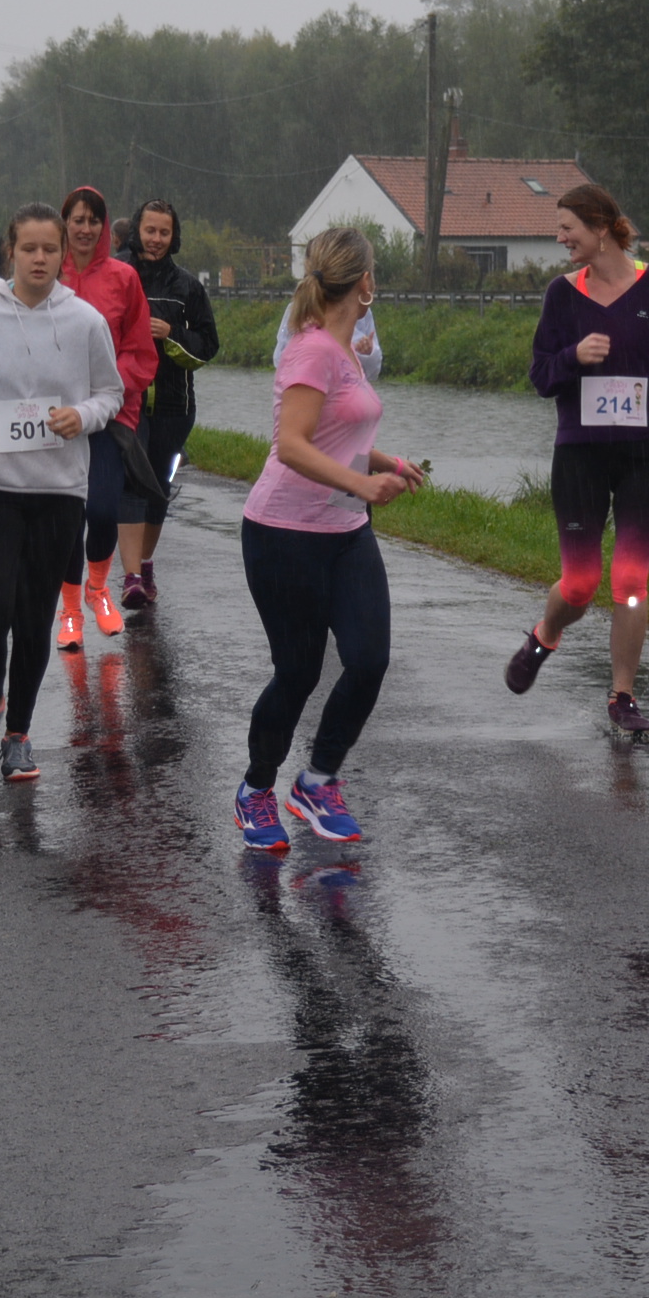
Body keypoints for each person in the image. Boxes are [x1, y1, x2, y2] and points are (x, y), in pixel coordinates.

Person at [231, 226, 424, 852]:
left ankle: (317, 781)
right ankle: (256, 790)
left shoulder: (346, 350)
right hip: (283, 533)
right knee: (298, 673)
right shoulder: (312, 350)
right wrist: (363, 484)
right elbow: (291, 445)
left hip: (345, 531)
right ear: (366, 281)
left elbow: (338, 434)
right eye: (375, 273)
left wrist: (385, 462)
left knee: (369, 660)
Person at [0, 202, 122, 782]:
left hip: (58, 490)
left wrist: (82, 416)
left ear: (65, 254)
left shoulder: (86, 321)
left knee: (35, 619)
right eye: (29, 248)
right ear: (10, 251)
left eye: (50, 249)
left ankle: (19, 736)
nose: (40, 259)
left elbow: (110, 393)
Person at [506, 185, 649, 735]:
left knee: (632, 578)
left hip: (646, 453)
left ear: (600, 228)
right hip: (581, 455)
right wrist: (573, 356)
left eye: (567, 227)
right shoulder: (562, 294)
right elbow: (541, 375)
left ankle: (623, 697)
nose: (560, 238)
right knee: (579, 585)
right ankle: (544, 636)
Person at [53, 186, 159, 648]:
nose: (85, 229)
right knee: (64, 518)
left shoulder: (124, 278)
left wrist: (109, 391)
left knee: (101, 509)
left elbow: (141, 351)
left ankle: (97, 587)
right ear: (64, 223)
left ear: (104, 226)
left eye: (93, 221)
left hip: (110, 417)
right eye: (77, 220)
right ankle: (70, 609)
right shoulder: (47, 274)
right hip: (55, 420)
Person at [119, 198, 219, 611]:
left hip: (175, 407)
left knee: (158, 488)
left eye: (164, 232)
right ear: (136, 231)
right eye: (150, 230)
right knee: (131, 484)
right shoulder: (119, 275)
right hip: (127, 402)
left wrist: (171, 333)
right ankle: (129, 579)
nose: (156, 239)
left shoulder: (188, 287)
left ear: (174, 236)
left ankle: (144, 565)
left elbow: (209, 346)